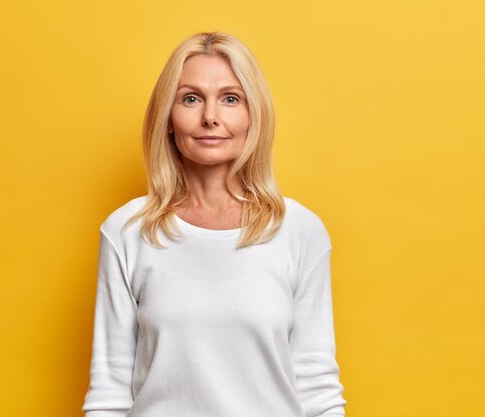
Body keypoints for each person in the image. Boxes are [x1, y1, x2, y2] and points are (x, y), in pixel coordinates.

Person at [82, 31, 347, 417]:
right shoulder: (127, 231)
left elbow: (317, 389)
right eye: (191, 99)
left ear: (253, 115)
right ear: (168, 119)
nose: (210, 117)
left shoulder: (299, 231)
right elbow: (109, 394)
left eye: (230, 99)